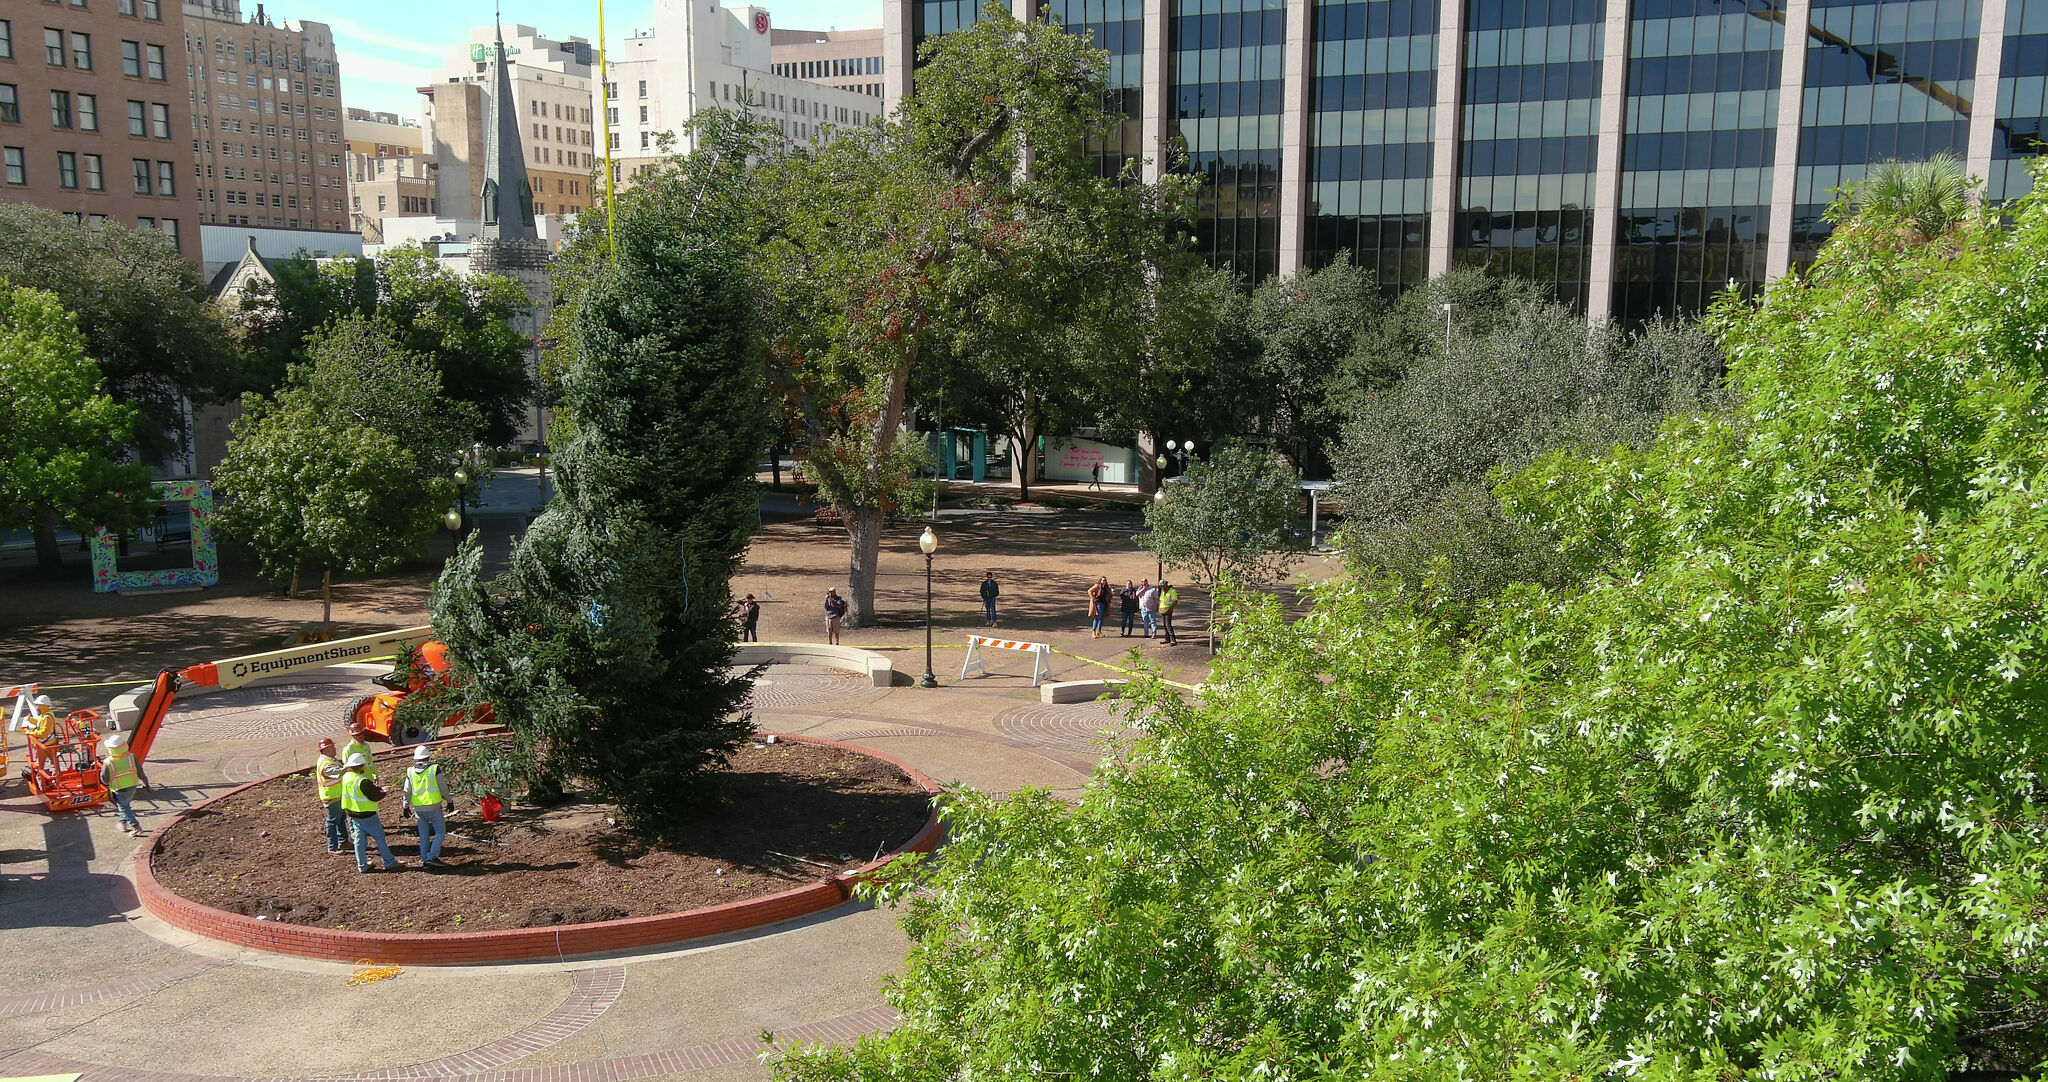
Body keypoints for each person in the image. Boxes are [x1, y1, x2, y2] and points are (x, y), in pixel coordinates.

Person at [341, 752, 399, 873]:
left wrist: (377, 789)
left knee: (359, 841)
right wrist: (384, 792)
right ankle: (389, 861)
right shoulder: (362, 781)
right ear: (361, 766)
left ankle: (362, 865)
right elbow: (374, 796)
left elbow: (363, 791)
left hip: (353, 814)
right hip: (367, 815)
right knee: (379, 838)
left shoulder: (346, 777)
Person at [402, 744, 448, 868]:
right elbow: (443, 787)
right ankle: (431, 856)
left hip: (418, 809)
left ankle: (425, 860)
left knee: (423, 835)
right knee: (440, 832)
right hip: (433, 807)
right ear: (428, 757)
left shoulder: (410, 771)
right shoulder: (434, 769)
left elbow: (407, 790)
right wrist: (449, 801)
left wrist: (405, 806)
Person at [99, 732, 151, 836]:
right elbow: (140, 772)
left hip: (119, 789)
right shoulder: (131, 757)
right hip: (132, 786)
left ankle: (136, 826)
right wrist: (146, 784)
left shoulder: (108, 762)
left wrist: (107, 784)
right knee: (124, 805)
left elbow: (104, 778)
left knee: (123, 807)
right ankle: (123, 822)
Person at [314, 738, 347, 852]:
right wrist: (349, 768)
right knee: (333, 822)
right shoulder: (326, 763)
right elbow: (336, 773)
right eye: (332, 747)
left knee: (341, 819)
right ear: (326, 749)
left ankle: (344, 842)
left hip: (337, 796)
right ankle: (332, 847)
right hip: (332, 797)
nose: (334, 748)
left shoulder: (329, 760)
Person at [1159, 579, 1180, 645]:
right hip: (1162, 610)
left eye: (1162, 586)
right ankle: (1167, 638)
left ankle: (1173, 640)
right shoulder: (1162, 591)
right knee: (1165, 625)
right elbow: (1161, 600)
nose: (1161, 587)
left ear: (1165, 585)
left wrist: (1170, 607)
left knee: (1168, 625)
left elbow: (1175, 601)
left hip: (1168, 610)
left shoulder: (1172, 591)